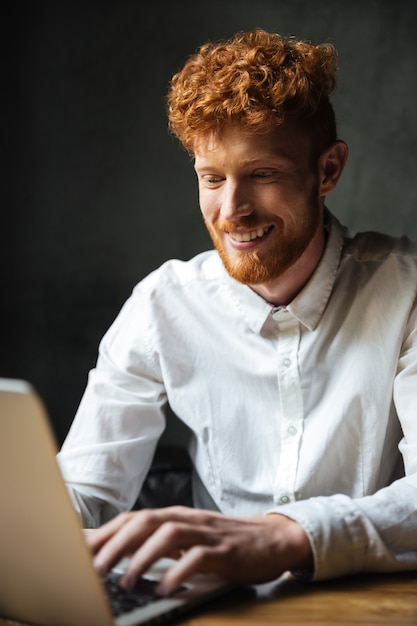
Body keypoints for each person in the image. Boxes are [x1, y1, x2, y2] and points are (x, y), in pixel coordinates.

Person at [57, 28, 417, 596]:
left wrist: (284, 537)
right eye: (212, 178)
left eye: (263, 174)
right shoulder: (161, 304)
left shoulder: (408, 290)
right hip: (220, 611)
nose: (233, 211)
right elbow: (84, 493)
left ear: (327, 171)